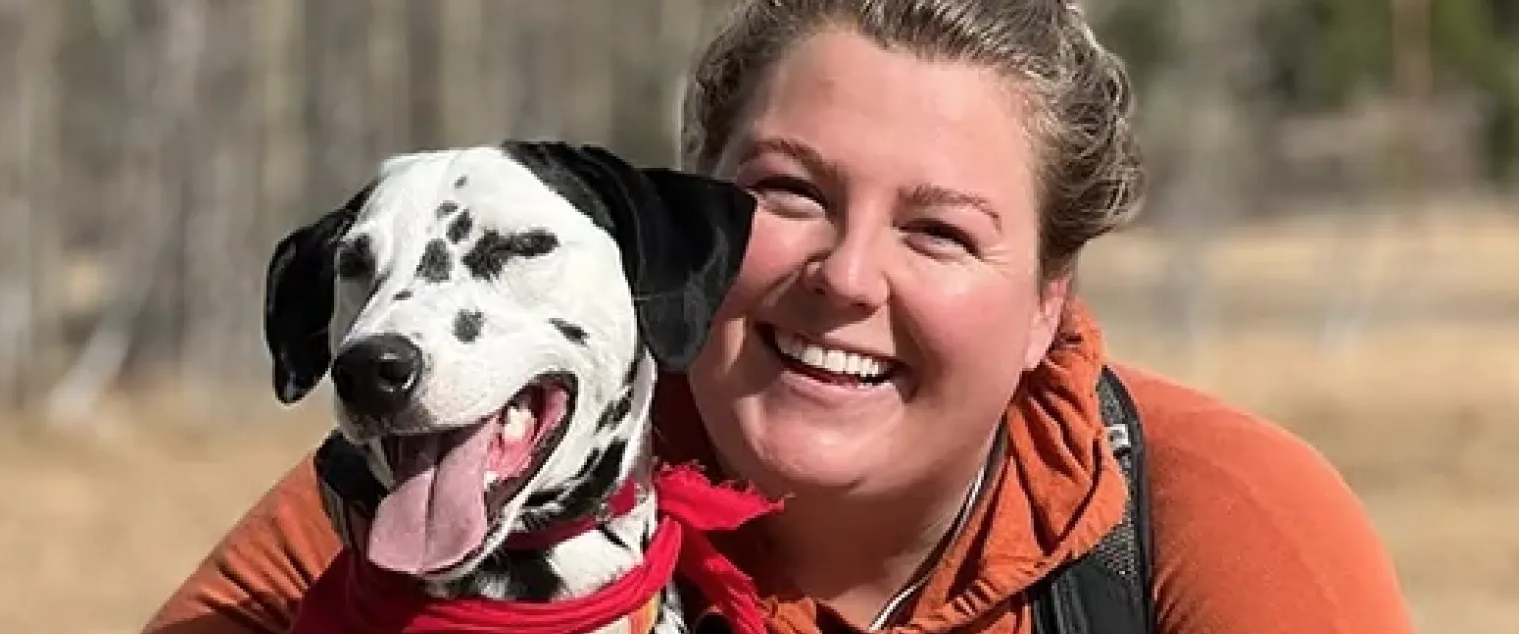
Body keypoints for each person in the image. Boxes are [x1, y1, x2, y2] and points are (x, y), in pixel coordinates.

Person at [139, 0, 1416, 632]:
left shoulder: (1209, 522)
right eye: (791, 196)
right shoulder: (448, 486)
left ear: (1046, 305)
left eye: (941, 229)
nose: (848, 277)